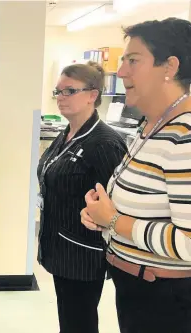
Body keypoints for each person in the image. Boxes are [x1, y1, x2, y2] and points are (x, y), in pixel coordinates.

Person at [81, 18, 191, 333]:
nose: (121, 72)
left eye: (133, 60)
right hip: (137, 290)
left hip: (166, 301)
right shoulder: (152, 126)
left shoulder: (184, 135)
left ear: (169, 66)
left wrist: (114, 221)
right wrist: (102, 215)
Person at [37, 61, 126, 333]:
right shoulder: (67, 133)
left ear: (92, 95)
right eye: (58, 91)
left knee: (80, 321)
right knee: (69, 317)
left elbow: (115, 202)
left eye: (69, 91)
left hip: (83, 254)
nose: (61, 98)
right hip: (58, 246)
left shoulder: (105, 143)